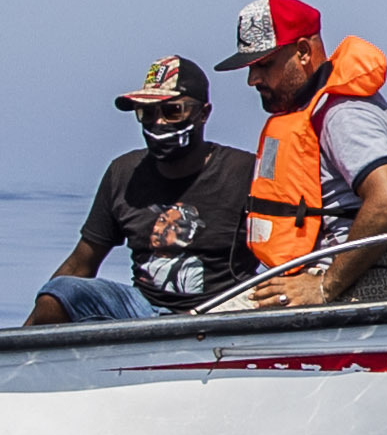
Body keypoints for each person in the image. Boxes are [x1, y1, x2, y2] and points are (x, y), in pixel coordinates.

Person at [34, 57, 259, 321]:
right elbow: (82, 262)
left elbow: (286, 253)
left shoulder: (245, 172)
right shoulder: (124, 173)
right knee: (60, 292)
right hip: (141, 310)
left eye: (172, 111)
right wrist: (19, 338)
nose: (159, 123)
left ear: (203, 113)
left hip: (221, 310)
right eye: (147, 113)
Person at [230, 0, 387, 306]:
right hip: (303, 281)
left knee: (189, 331)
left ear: (302, 52)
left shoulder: (343, 115)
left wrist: (325, 286)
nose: (252, 79)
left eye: (264, 65)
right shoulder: (311, 112)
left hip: (351, 294)